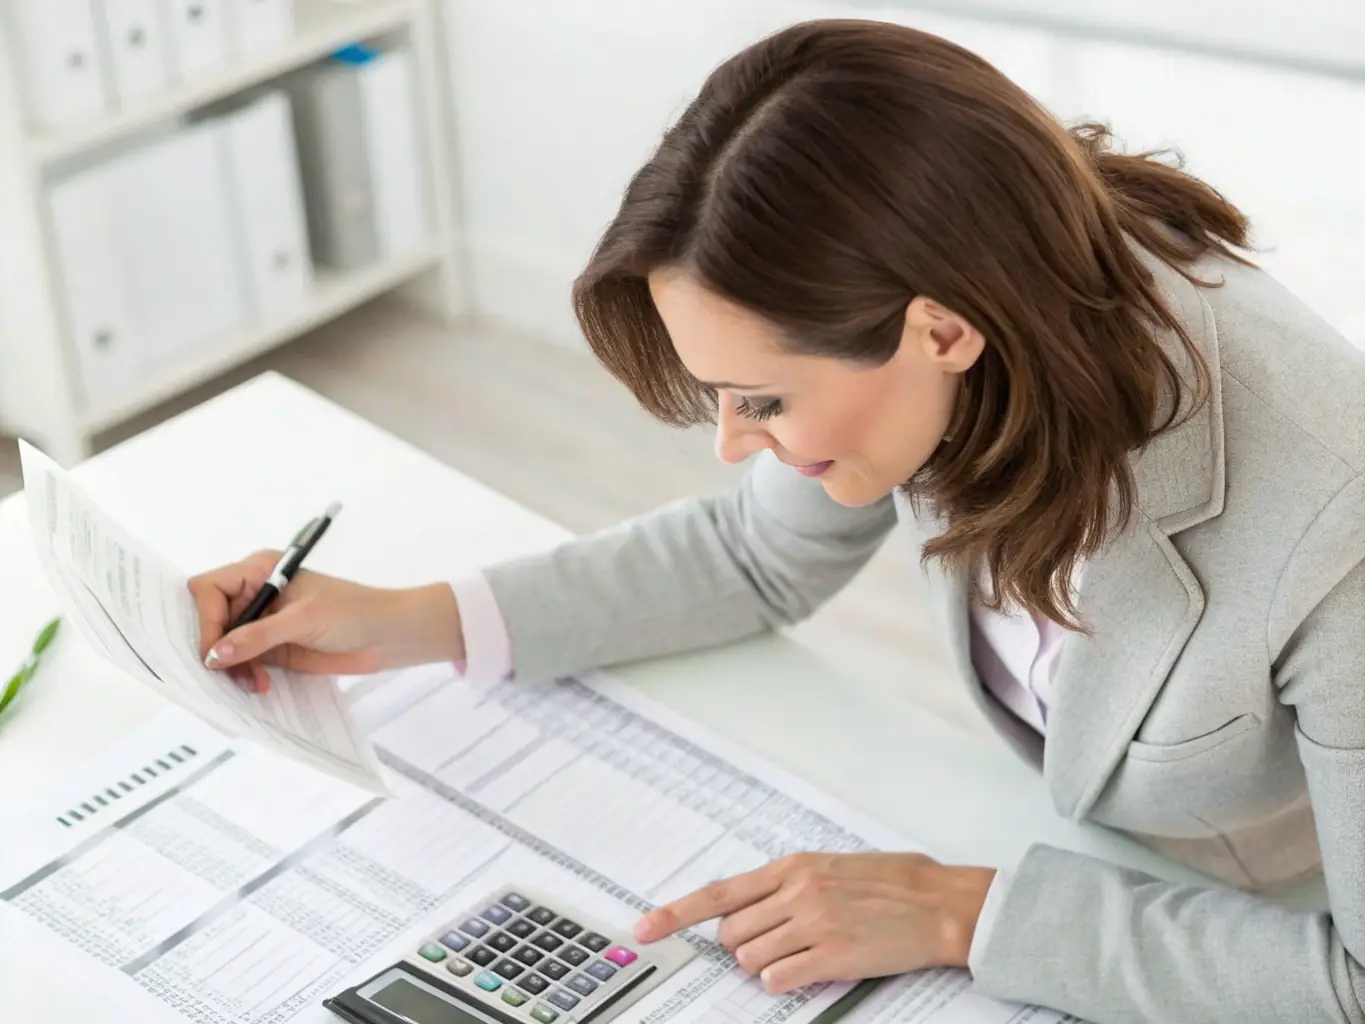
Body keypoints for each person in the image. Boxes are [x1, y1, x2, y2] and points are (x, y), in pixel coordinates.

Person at [188, 18, 1365, 1024]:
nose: (732, 444)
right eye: (718, 397)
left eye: (761, 401)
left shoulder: (1332, 521)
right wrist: (402, 620)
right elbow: (754, 553)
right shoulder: (930, 292)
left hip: (1265, 902)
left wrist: (966, 910)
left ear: (942, 331)